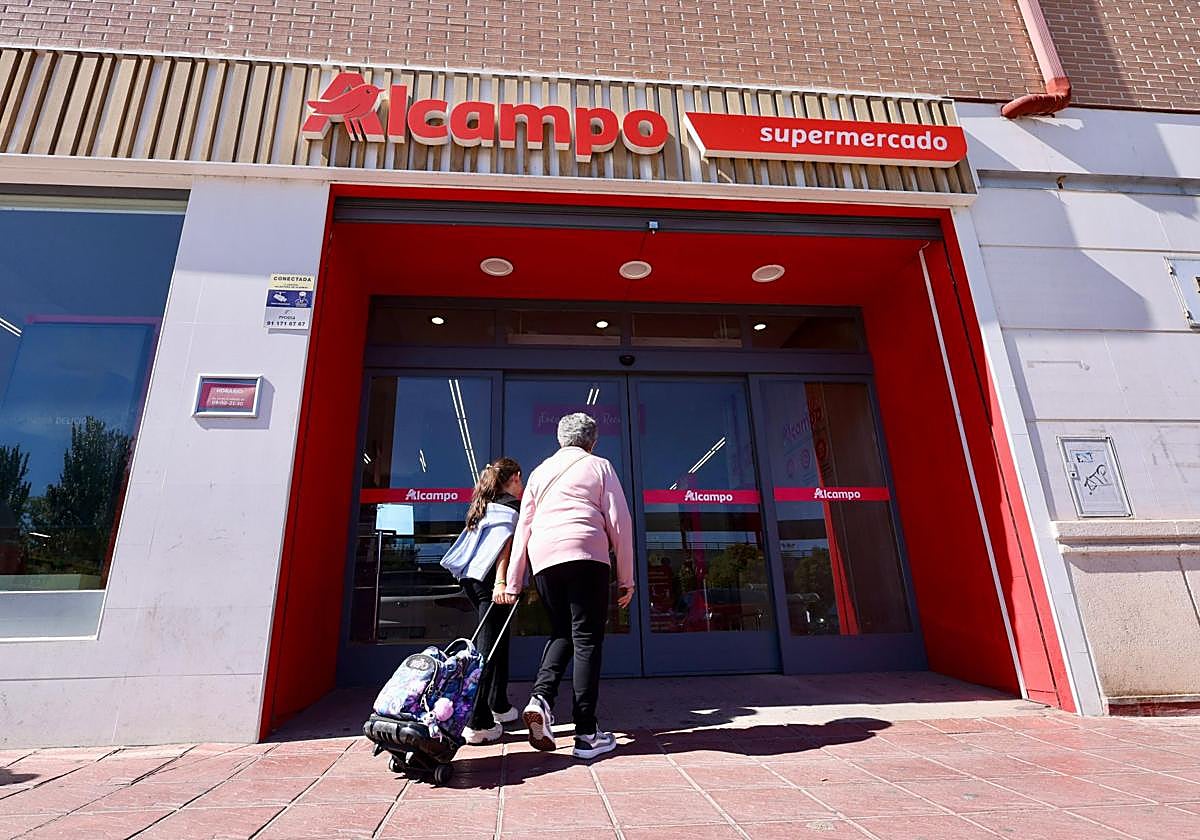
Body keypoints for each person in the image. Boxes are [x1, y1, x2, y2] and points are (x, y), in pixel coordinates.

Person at [497, 413, 634, 759]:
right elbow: (620, 523)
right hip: (586, 555)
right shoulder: (600, 466)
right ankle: (586, 733)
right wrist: (627, 578)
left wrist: (514, 582)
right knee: (587, 639)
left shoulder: (540, 473)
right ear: (592, 441)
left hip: (544, 559)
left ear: (560, 440)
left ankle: (540, 699)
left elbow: (522, 529)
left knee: (561, 633)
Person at [439, 457, 524, 745]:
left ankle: (498, 704)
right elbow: (505, 546)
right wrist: (502, 581)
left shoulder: (486, 506)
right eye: (520, 481)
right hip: (491, 583)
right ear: (515, 478)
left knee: (498, 642)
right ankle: (477, 721)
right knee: (486, 651)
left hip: (473, 580)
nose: (522, 486)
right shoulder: (511, 508)